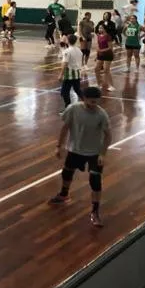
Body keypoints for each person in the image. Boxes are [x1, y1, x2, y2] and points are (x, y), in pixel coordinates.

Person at [50, 87, 111, 228]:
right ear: (84, 98)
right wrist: (58, 146)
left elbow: (108, 135)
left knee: (95, 181)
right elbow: (65, 127)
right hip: (75, 150)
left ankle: (95, 211)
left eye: (96, 102)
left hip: (94, 152)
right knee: (67, 173)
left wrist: (103, 153)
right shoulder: (73, 109)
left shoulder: (102, 114)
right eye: (90, 102)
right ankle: (64, 194)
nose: (93, 105)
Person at [59, 33, 83, 113]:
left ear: (68, 41)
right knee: (77, 90)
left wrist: (61, 74)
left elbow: (65, 63)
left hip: (69, 74)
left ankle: (67, 108)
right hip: (77, 73)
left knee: (64, 92)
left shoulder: (67, 51)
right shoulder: (79, 50)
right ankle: (87, 102)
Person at [93, 22, 114, 92]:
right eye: (99, 28)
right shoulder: (99, 36)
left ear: (105, 29)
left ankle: (111, 85)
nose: (99, 29)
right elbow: (98, 46)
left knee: (106, 70)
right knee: (96, 69)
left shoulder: (108, 36)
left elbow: (110, 47)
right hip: (100, 55)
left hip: (108, 54)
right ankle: (99, 84)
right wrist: (97, 55)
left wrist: (102, 50)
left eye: (101, 28)